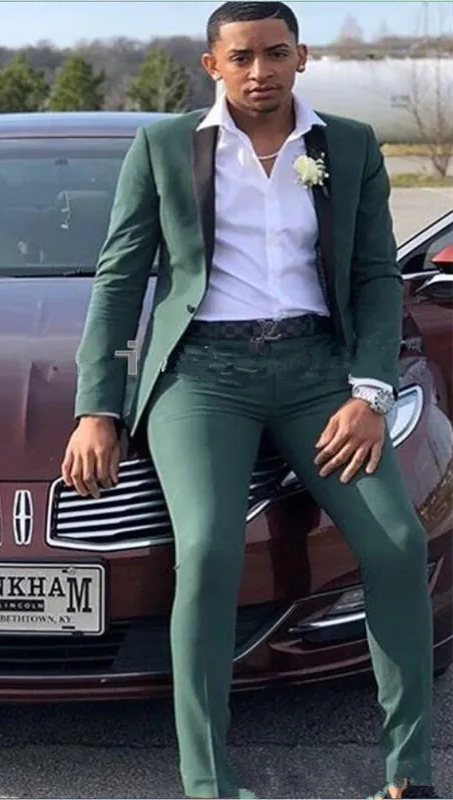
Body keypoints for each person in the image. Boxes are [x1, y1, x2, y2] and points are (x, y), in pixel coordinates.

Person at [60, 3, 438, 798]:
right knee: (207, 551)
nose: (260, 71)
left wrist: (370, 391)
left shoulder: (350, 145)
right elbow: (120, 278)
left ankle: (408, 773)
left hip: (318, 372)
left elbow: (375, 277)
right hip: (203, 374)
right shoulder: (164, 147)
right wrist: (97, 407)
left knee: (398, 544)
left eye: (275, 53)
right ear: (213, 65)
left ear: (302, 56)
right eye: (242, 57)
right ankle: (210, 781)